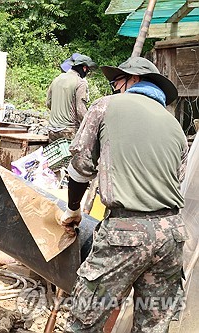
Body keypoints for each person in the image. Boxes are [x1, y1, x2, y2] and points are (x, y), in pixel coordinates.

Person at [61, 57, 188, 333]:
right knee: (153, 326)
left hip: (125, 233)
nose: (115, 87)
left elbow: (81, 165)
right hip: (172, 235)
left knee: (86, 319)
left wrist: (73, 209)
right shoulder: (175, 127)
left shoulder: (106, 106)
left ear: (134, 80)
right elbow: (175, 181)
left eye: (117, 81)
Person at [46, 54, 96, 142]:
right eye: (88, 70)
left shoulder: (57, 79)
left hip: (52, 130)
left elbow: (49, 103)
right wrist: (91, 125)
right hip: (68, 131)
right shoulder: (80, 83)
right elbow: (80, 110)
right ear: (84, 68)